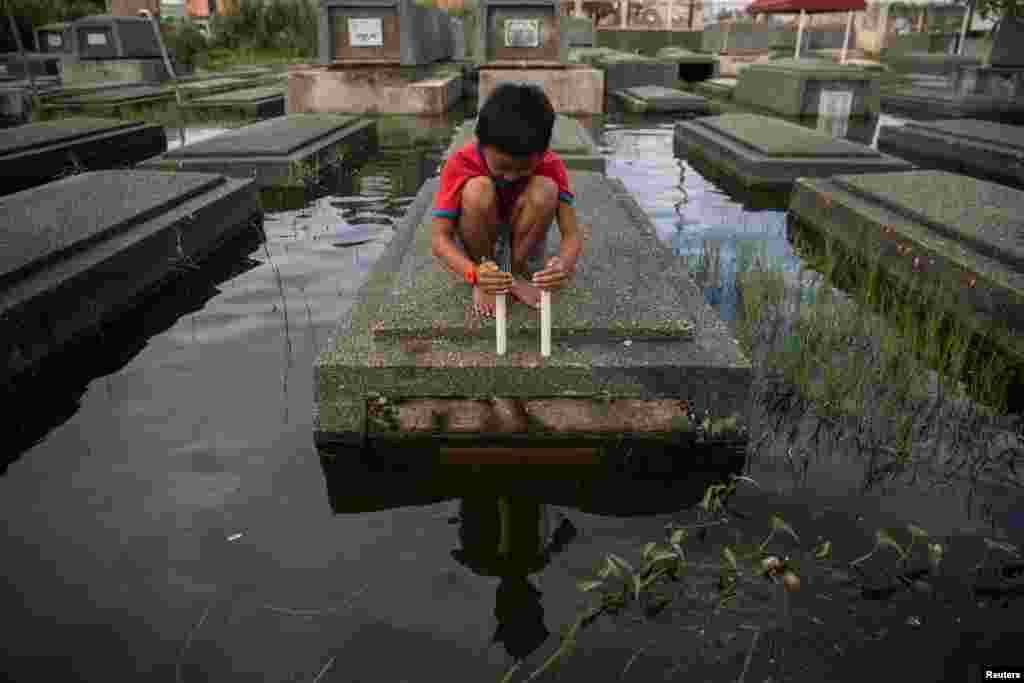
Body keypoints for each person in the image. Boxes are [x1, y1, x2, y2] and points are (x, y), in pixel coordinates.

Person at [430, 83, 583, 317]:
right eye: (501, 167)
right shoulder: (460, 163)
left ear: (542, 152)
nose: (511, 176)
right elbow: (440, 239)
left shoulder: (550, 164)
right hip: (478, 240)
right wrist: (475, 273)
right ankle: (489, 275)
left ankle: (516, 273)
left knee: (546, 189)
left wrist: (562, 265)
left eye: (523, 168)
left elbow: (571, 235)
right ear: (481, 143)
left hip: (522, 236)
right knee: (476, 190)